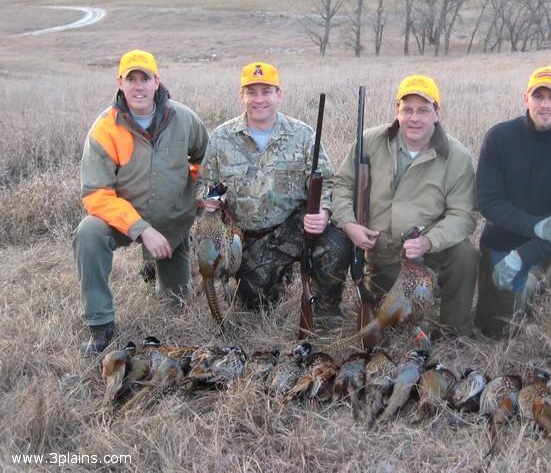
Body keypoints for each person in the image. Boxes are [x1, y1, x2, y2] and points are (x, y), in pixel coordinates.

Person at [73, 49, 209, 355]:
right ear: (119, 82)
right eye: (131, 79)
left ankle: (154, 266)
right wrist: (141, 228)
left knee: (176, 303)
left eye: (144, 78)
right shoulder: (105, 128)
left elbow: (208, 160)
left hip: (172, 224)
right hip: (125, 222)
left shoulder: (184, 118)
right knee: (88, 232)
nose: (138, 86)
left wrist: (198, 192)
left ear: (156, 82)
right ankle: (100, 326)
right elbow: (96, 194)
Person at [331, 75, 479, 337]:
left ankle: (453, 332)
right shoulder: (369, 142)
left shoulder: (457, 156)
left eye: (423, 110)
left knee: (465, 255)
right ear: (396, 111)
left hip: (427, 252)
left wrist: (429, 241)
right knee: (385, 331)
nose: (414, 118)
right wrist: (349, 223)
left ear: (437, 113)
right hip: (381, 252)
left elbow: (463, 215)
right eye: (407, 109)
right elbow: (342, 184)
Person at [198, 61, 349, 314]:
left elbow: (327, 183)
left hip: (292, 229)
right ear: (242, 96)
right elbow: (203, 185)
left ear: (279, 95)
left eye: (266, 92)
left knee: (336, 243)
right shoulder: (221, 138)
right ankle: (272, 279)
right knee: (252, 307)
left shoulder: (303, 135)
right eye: (252, 92)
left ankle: (326, 310)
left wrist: (324, 213)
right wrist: (209, 200)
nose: (259, 100)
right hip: (246, 239)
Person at [474, 66, 551, 342]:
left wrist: (524, 257)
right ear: (525, 98)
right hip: (505, 240)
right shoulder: (499, 138)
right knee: (494, 333)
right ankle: (529, 286)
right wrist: (536, 226)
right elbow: (489, 203)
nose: (545, 104)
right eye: (538, 96)